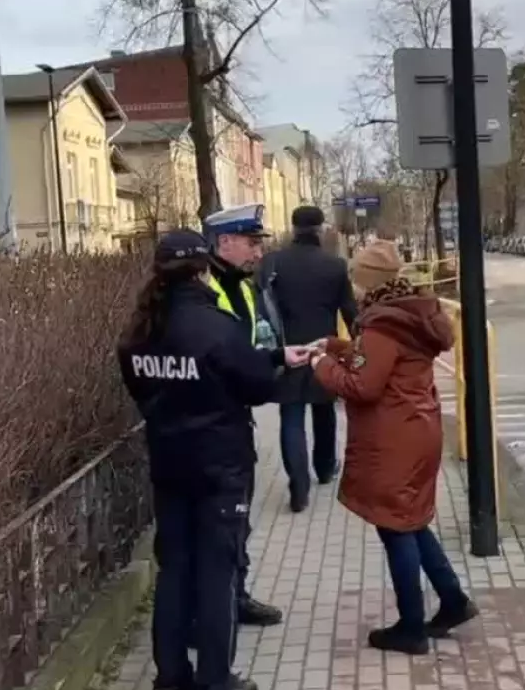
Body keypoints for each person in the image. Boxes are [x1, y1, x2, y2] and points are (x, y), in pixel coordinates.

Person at [117, 228, 314, 690]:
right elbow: (253, 386)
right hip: (220, 465)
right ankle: (215, 683)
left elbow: (147, 388)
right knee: (217, 572)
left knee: (174, 569)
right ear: (203, 269)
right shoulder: (216, 324)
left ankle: (170, 682)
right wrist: (275, 367)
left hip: (169, 462)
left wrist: (272, 356)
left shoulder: (140, 331)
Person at [309, 240, 478, 656]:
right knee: (412, 521)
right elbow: (383, 362)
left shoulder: (381, 324)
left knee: (395, 526)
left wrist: (321, 366)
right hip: (419, 430)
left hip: (394, 439)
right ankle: (453, 601)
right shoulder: (407, 315)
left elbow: (364, 386)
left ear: (368, 281)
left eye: (356, 278)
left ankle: (410, 628)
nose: (353, 285)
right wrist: (338, 348)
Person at [201, 203, 286, 628]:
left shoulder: (244, 286)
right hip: (212, 422)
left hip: (237, 418)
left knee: (239, 518)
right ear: (225, 242)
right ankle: (220, 606)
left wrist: (277, 357)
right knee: (221, 521)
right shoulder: (206, 287)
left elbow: (247, 347)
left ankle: (237, 593)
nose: (257, 252)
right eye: (251, 243)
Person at [257, 204, 358, 512]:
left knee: (291, 419)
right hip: (322, 351)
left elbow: (261, 307)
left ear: (293, 227)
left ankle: (299, 489)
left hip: (286, 352)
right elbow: (350, 313)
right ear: (320, 229)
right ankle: (325, 469)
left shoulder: (272, 263)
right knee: (324, 412)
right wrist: (359, 349)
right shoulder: (335, 266)